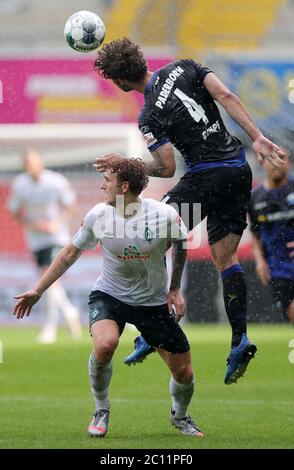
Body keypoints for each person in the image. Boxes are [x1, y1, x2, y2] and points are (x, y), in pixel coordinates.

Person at [92, 37, 286, 384]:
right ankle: (239, 338)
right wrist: (255, 136)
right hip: (237, 170)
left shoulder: (150, 113)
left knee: (149, 237)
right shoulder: (185, 66)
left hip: (203, 178)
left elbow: (166, 168)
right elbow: (227, 97)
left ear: (120, 82)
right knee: (226, 260)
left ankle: (155, 329)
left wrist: (125, 163)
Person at [13, 159, 204, 438]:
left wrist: (174, 289)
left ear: (124, 186)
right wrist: (38, 290)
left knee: (184, 372)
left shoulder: (165, 215)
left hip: (151, 302)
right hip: (110, 295)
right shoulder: (98, 215)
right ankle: (101, 409)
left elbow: (181, 245)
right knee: (105, 345)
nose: (103, 185)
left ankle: (181, 416)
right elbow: (68, 254)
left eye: (108, 180)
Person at [8, 149, 82, 344]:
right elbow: (14, 210)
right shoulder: (20, 184)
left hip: (56, 238)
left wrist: (57, 223)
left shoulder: (55, 181)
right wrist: (32, 225)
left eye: (35, 162)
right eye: (29, 163)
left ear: (41, 163)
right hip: (36, 239)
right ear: (25, 166)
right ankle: (69, 311)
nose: (33, 166)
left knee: (48, 282)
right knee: (46, 282)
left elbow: (71, 206)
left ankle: (49, 327)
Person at [248, 150, 294, 324]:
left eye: (282, 158)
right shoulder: (255, 197)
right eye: (271, 158)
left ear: (288, 163)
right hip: (277, 267)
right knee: (288, 311)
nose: (276, 163)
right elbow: (256, 233)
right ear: (263, 163)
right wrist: (260, 261)